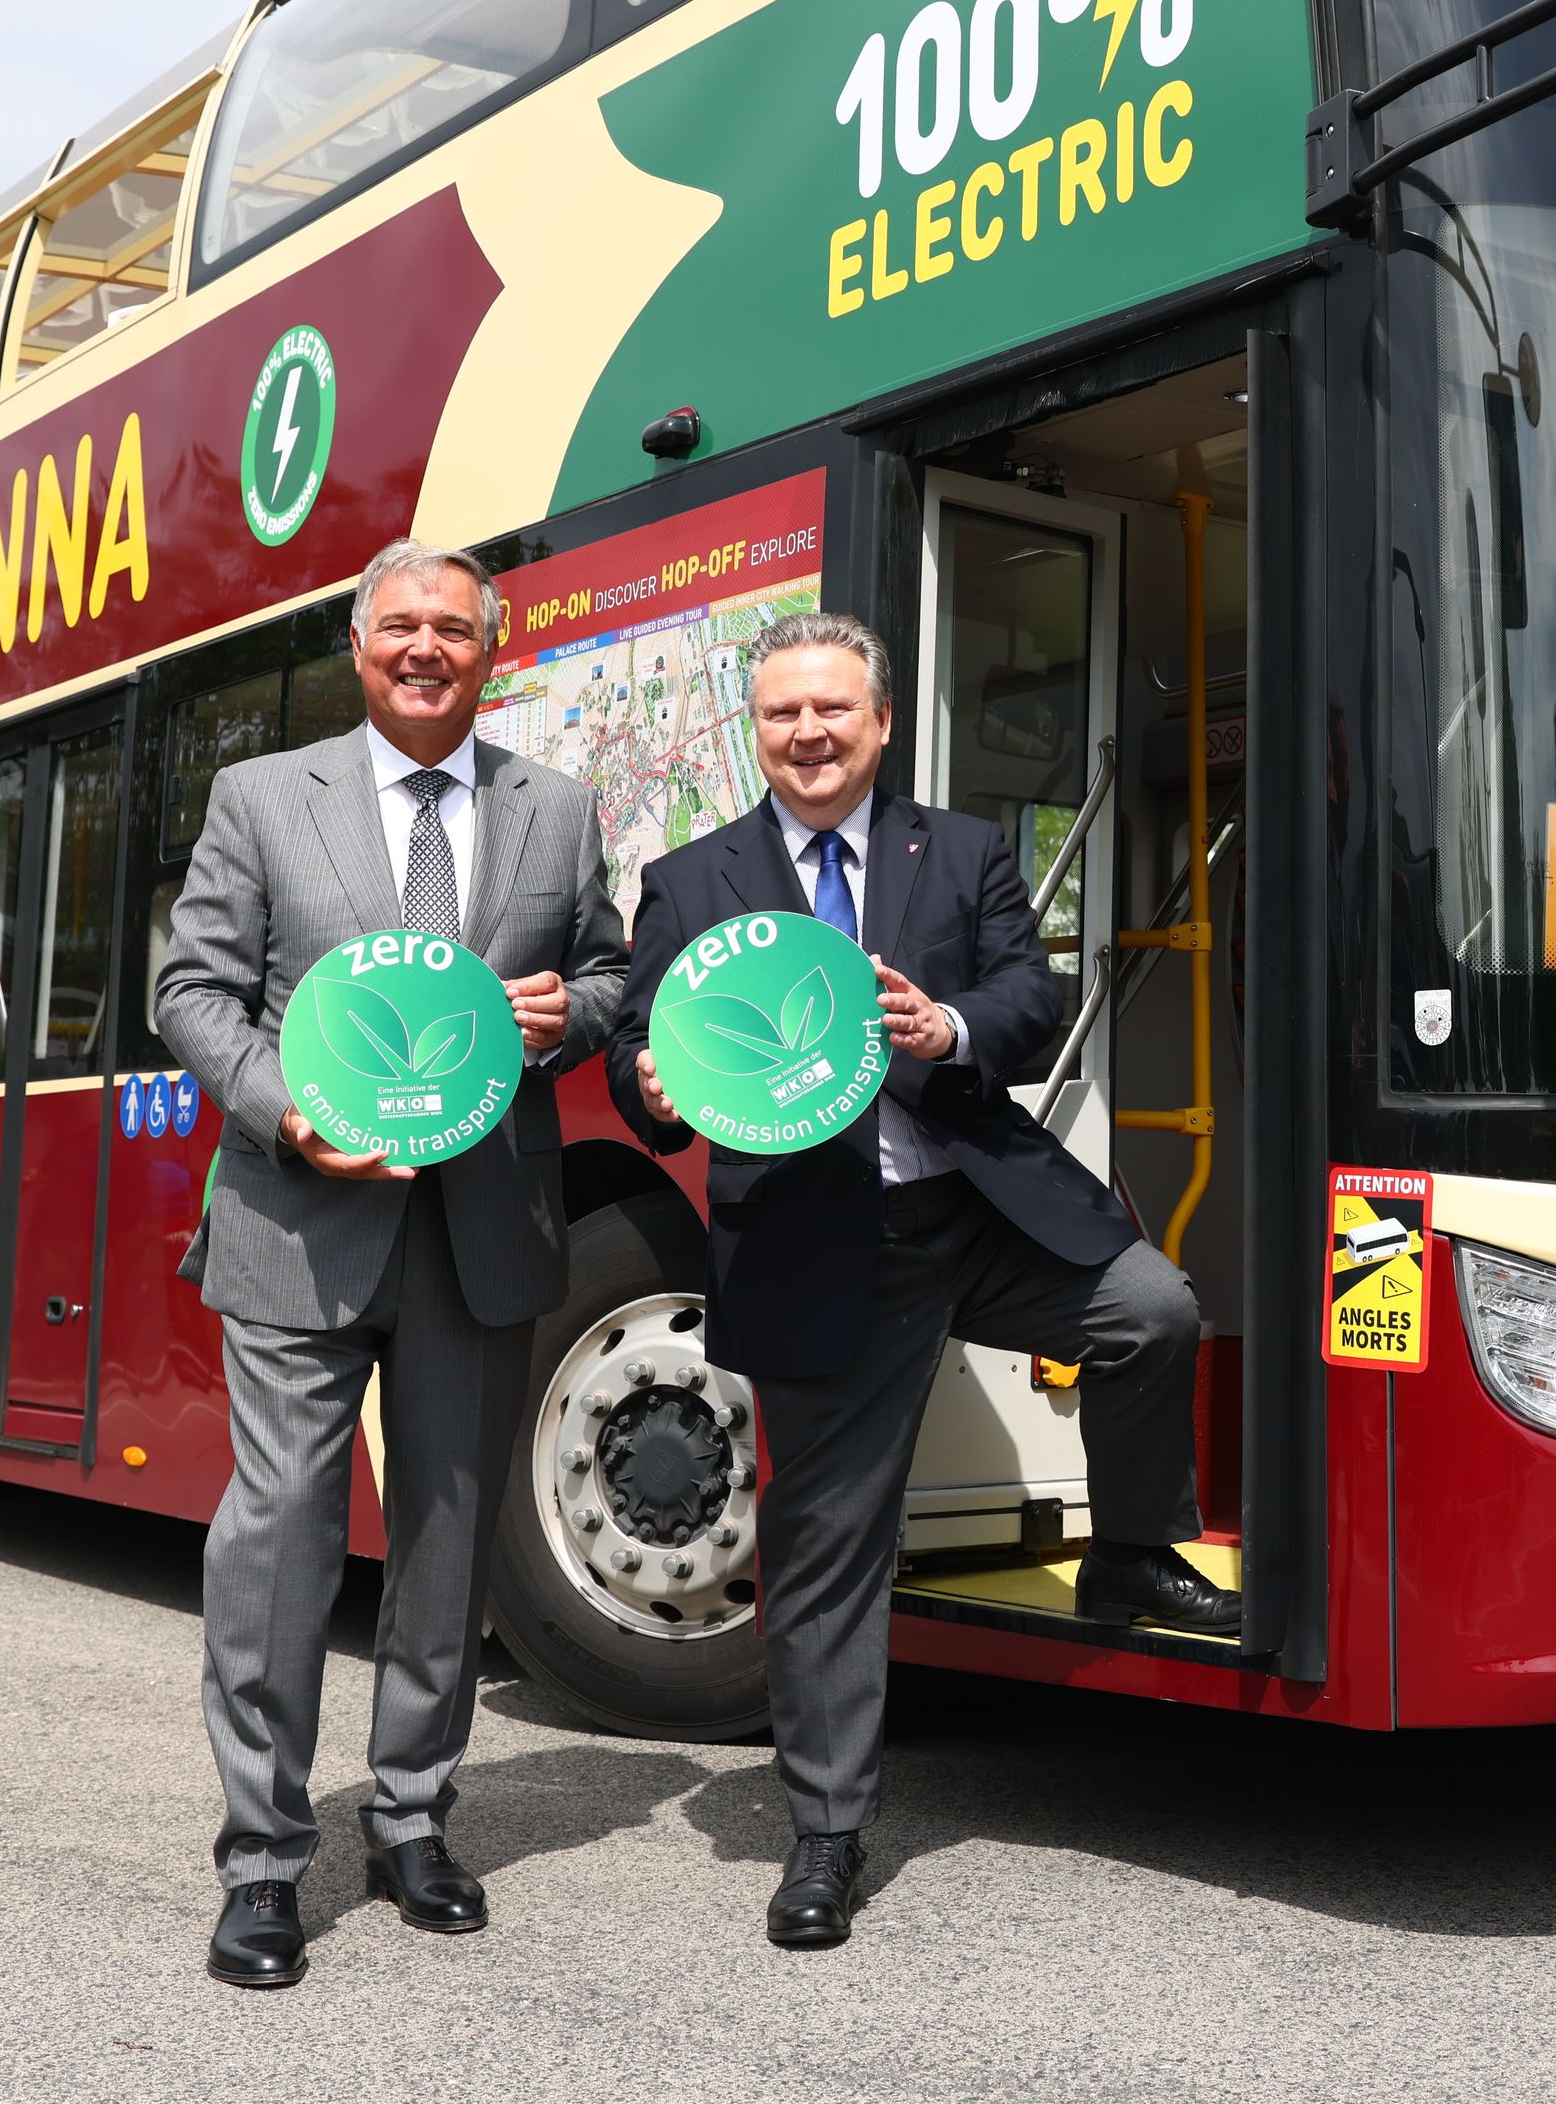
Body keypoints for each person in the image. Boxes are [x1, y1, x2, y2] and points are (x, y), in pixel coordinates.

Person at [608, 611, 1232, 1952]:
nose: (810, 732)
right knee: (830, 1549)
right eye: (783, 713)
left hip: (975, 1196)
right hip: (821, 1233)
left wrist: (949, 1025)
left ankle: (1125, 1550)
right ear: (756, 732)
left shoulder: (960, 848)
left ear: (881, 722)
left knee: (1154, 1312)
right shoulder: (690, 879)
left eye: (834, 708)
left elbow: (1032, 993)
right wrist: (654, 1089)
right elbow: (639, 1058)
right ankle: (827, 1832)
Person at [154, 540, 628, 1992]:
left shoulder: (557, 810)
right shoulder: (261, 796)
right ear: (360, 644)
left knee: (447, 1536)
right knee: (283, 1529)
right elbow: (191, 987)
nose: (428, 647)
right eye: (402, 625)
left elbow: (610, 971)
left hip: (483, 1226)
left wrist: (565, 1018)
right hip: (304, 1213)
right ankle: (264, 1857)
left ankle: (415, 1818)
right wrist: (286, 1113)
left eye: (456, 628)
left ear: (497, 647)